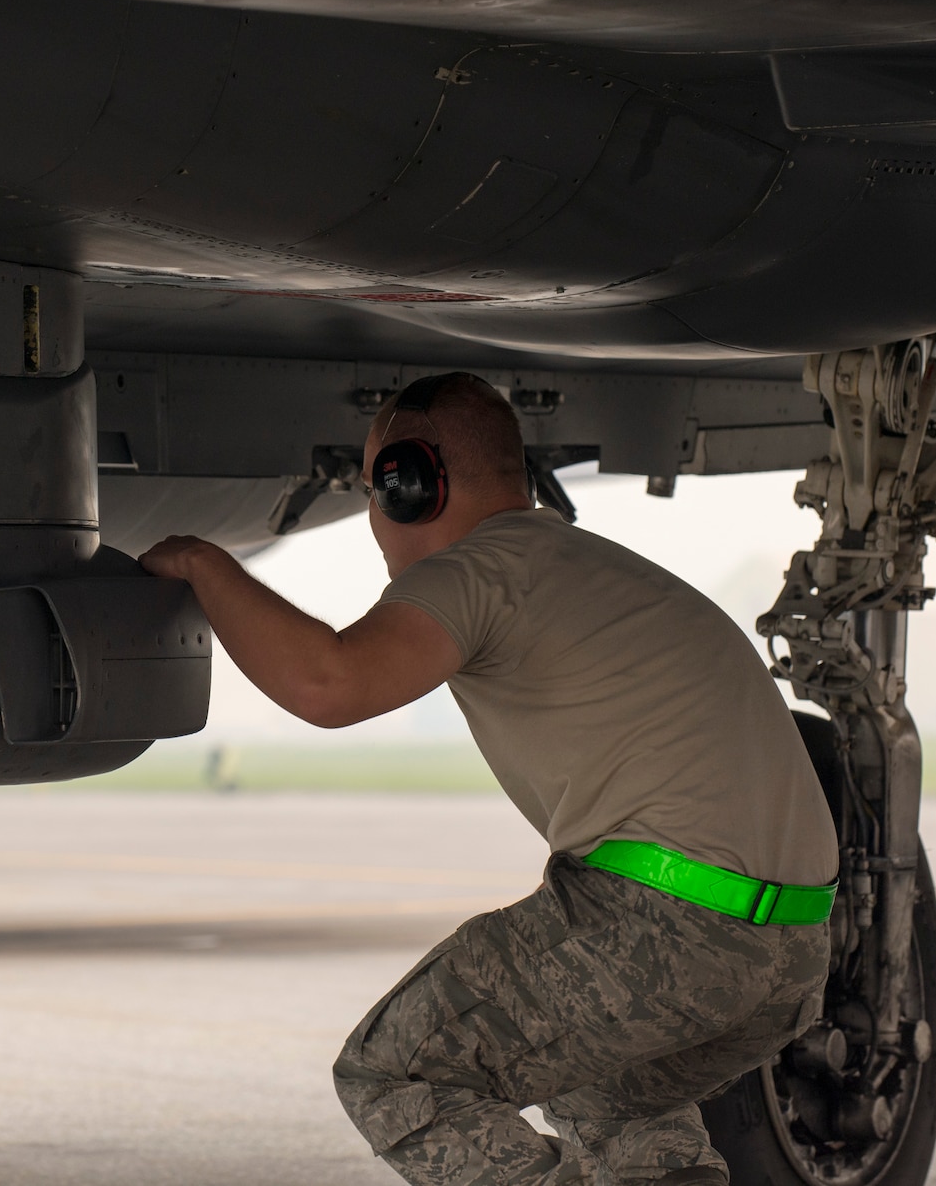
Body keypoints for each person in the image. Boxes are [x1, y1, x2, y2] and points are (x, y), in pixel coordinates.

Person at [140, 373, 839, 1186]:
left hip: (670, 928)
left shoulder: (481, 570)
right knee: (598, 1081)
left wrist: (201, 563)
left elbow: (329, 685)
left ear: (412, 485)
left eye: (375, 489)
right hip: (791, 959)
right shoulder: (589, 566)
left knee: (396, 1070)